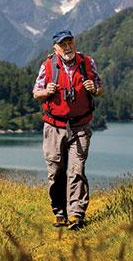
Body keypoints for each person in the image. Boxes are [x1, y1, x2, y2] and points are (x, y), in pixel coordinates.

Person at [32, 28, 103, 230]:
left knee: (76, 170)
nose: (67, 47)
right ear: (56, 48)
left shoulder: (87, 63)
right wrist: (46, 91)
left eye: (70, 43)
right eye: (63, 44)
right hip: (54, 127)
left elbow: (100, 88)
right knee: (55, 171)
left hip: (80, 126)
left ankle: (76, 215)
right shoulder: (47, 66)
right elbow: (36, 93)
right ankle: (60, 212)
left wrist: (94, 89)